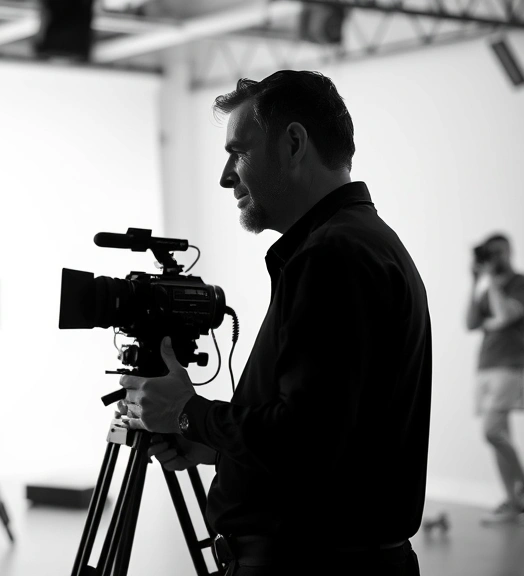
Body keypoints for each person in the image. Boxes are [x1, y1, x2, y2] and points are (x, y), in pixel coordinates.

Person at [117, 71, 430, 575]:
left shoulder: (333, 255)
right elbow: (335, 444)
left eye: (238, 153)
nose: (226, 177)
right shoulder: (360, 242)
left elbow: (304, 440)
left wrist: (187, 412)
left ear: (293, 144)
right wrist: (214, 443)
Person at [465, 233, 524, 525]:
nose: (494, 258)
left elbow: (506, 315)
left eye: (498, 252)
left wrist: (493, 286)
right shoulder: (487, 288)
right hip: (485, 365)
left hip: (509, 365)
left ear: (509, 251)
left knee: (491, 431)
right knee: (500, 437)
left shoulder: (523, 283)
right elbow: (471, 323)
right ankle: (515, 503)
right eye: (490, 253)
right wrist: (475, 281)